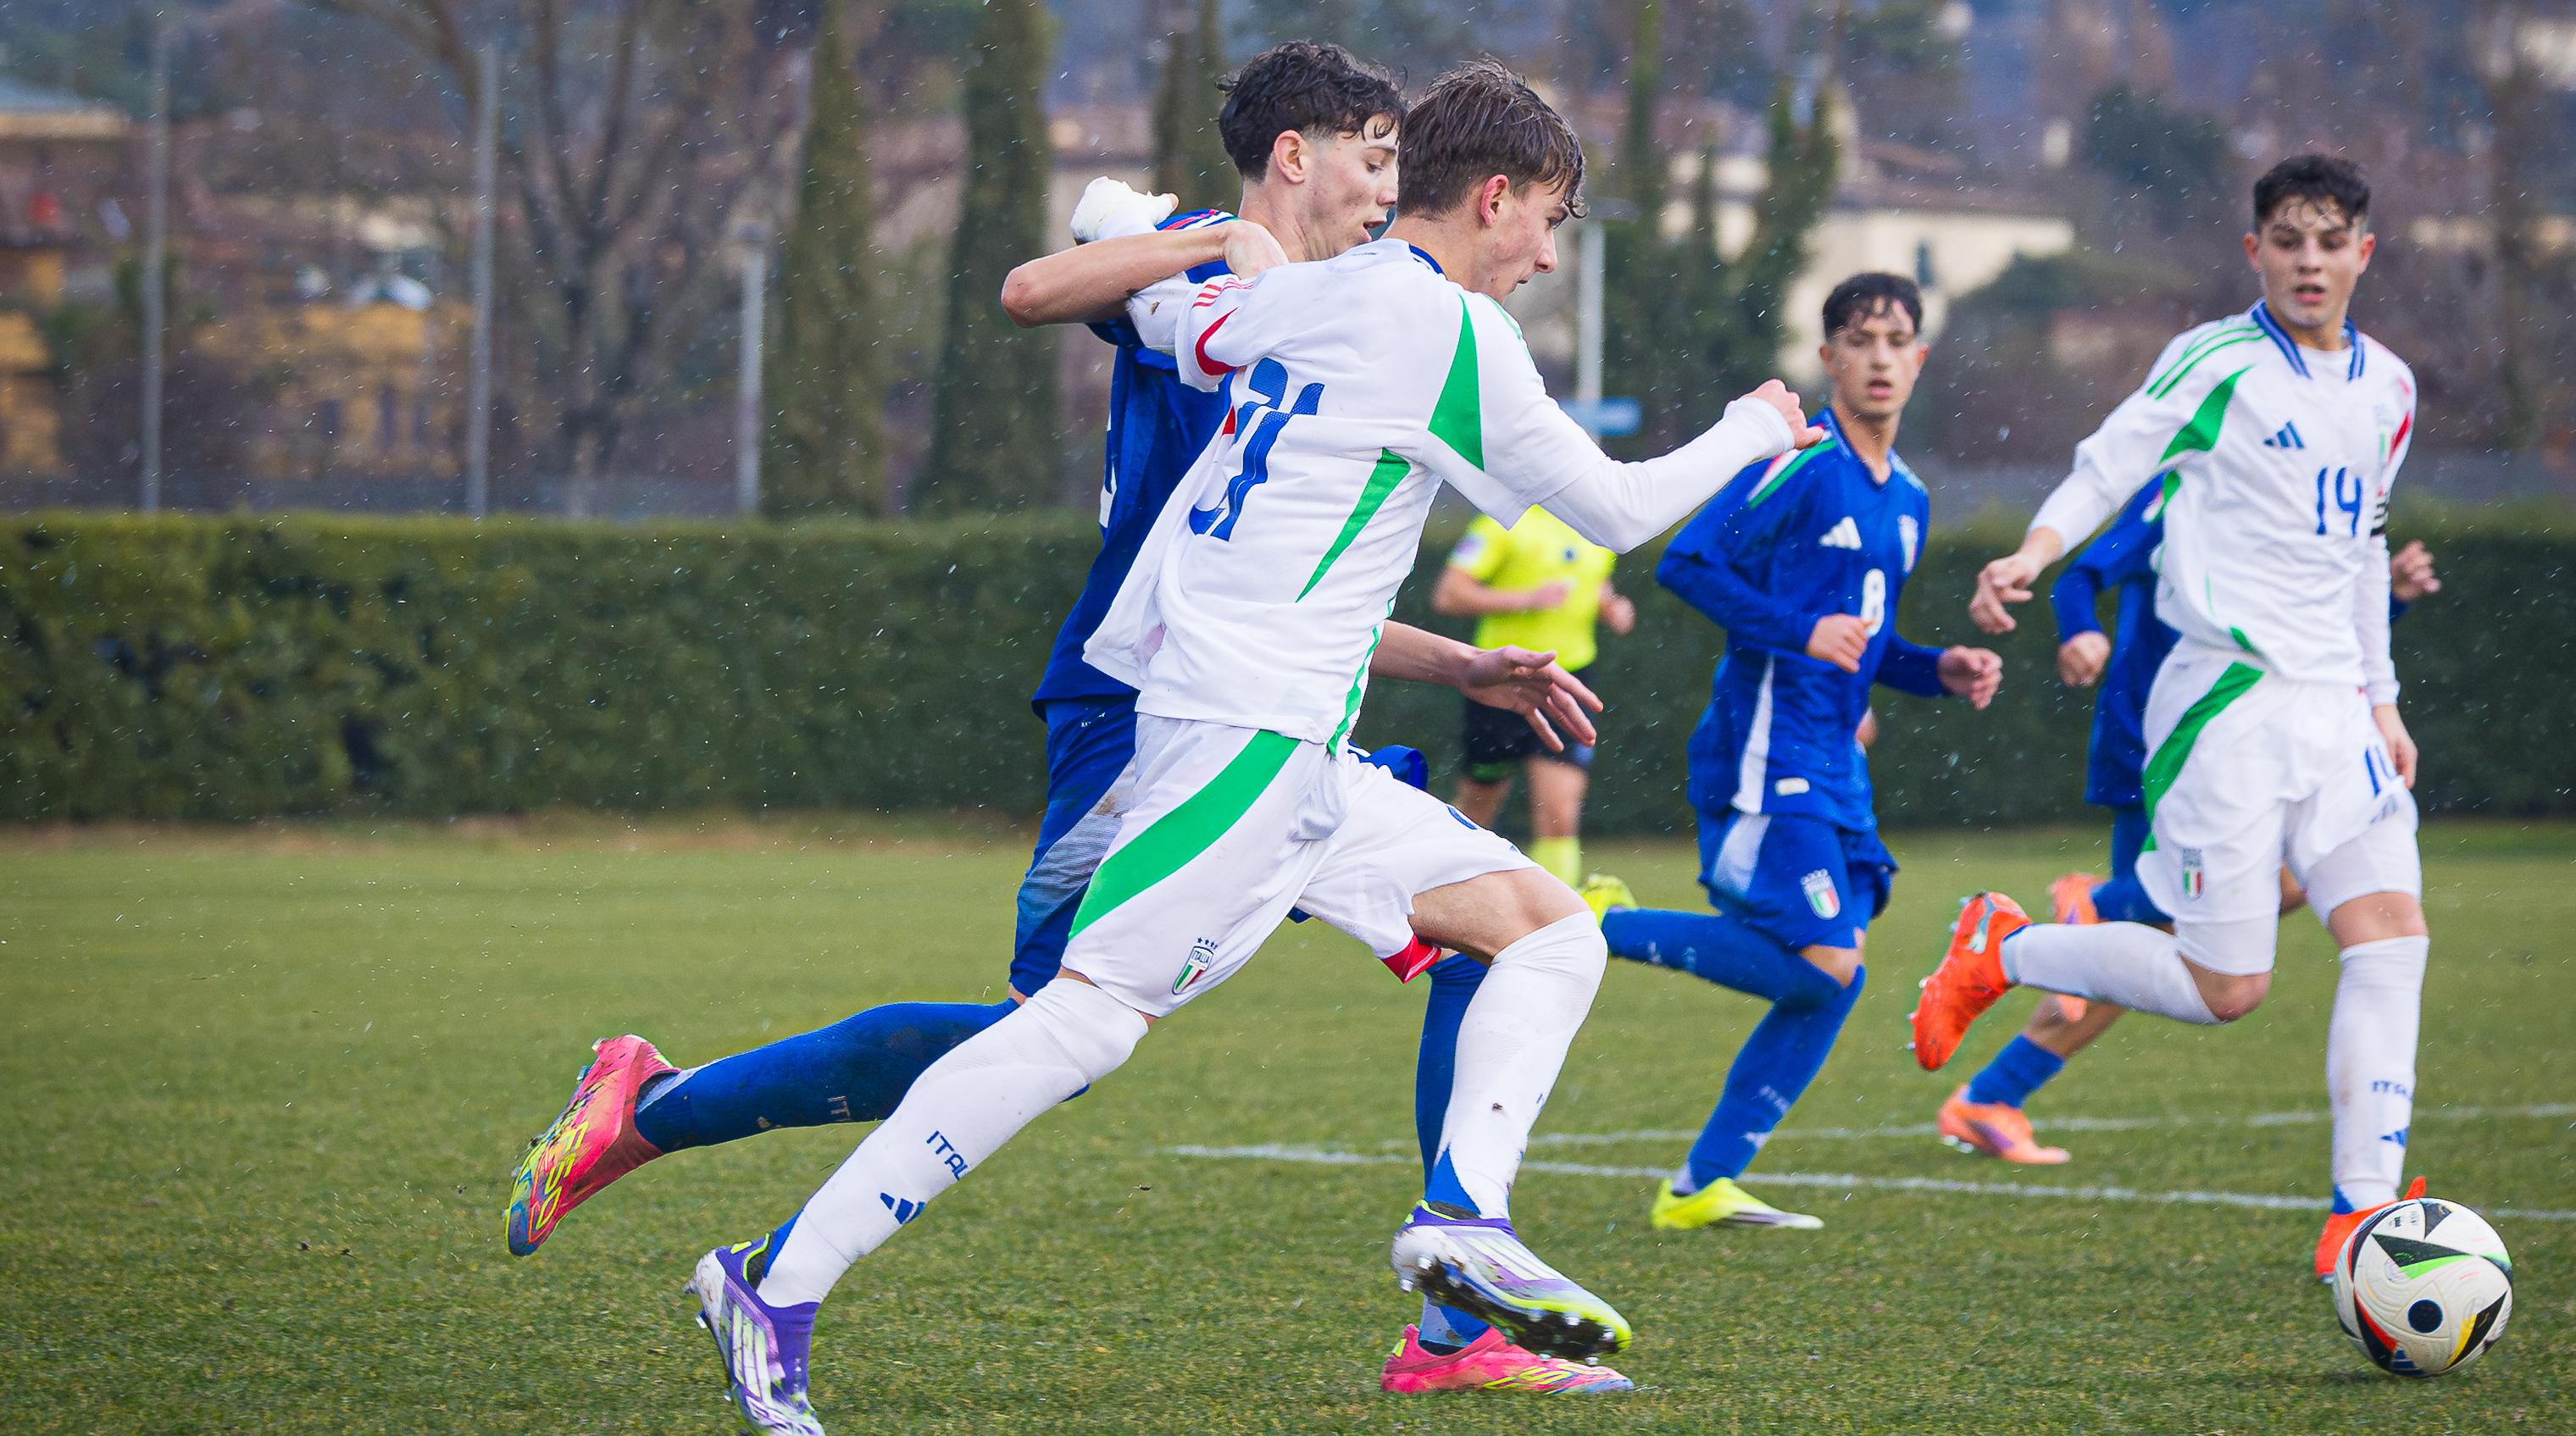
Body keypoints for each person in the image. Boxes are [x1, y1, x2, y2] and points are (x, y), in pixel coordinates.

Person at [673, 62, 1828, 1433]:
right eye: (1552, 221)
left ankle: (1462, 1219)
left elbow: (1172, 317)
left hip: (1283, 742)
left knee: (1546, 930)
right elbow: (1611, 509)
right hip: (1242, 734)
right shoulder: (1442, 329)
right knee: (1079, 1028)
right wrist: (1759, 425)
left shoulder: (1318, 289)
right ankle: (776, 1282)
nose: (1546, 253)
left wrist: (1162, 243)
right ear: (1499, 196)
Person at [501, 39, 1596, 1376]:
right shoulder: (1215, 277)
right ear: (1298, 158)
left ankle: (1452, 1311)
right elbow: (1038, 283)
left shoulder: (1353, 316)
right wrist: (1185, 236)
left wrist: (1461, 660)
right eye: (1372, 158)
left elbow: (1296, 581)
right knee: (1048, 1035)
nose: (1388, 188)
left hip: (1267, 715)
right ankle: (657, 1111)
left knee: (1493, 939)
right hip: (1144, 711)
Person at [1907, 154, 2433, 1281]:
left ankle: (2357, 1212)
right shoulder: (2212, 363)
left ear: (2360, 254)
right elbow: (2104, 469)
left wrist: (2381, 700)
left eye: (2327, 240)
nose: (2306, 260)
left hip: (2335, 710)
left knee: (2389, 940)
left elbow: (2361, 555)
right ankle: (2006, 946)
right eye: (2285, 240)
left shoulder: (2386, 389)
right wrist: (2030, 555)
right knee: (2222, 987)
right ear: (2254, 251)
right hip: (2223, 706)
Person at [1579, 273, 2005, 1230]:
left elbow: (1867, 640)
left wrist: (1940, 668)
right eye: (1861, 340)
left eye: (1899, 340)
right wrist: (1798, 630)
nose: (1882, 357)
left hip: (1835, 769)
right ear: (1829, 360)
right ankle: (1597, 926)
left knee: (1831, 982)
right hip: (1767, 757)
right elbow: (1690, 560)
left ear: (1920, 360)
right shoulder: (1804, 463)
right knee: (1824, 966)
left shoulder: (1911, 500)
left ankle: (1700, 1187)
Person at [1936, 511, 2442, 1166]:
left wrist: (2389, 602)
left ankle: (1998, 1083)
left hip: (2250, 748)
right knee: (2171, 947)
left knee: (2188, 944)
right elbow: (2081, 575)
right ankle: (2104, 908)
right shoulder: (2189, 475)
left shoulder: (2283, 483)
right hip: (2170, 743)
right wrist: (2081, 632)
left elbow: (2304, 639)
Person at [1433, 507, 1636, 884]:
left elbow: (1595, 583)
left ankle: (1556, 923)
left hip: (1567, 683)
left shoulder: (1595, 522)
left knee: (1559, 814)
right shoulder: (1501, 522)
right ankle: (1443, 902)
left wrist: (1612, 606)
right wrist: (1526, 598)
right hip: (1499, 683)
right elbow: (1448, 594)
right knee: (1477, 808)